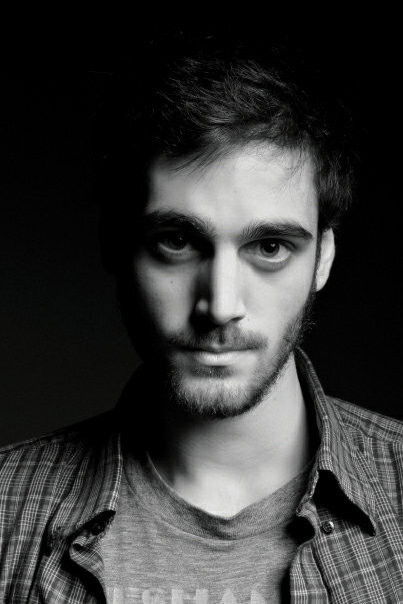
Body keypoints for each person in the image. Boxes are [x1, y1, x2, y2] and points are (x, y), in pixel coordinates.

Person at [0, 31, 402, 603]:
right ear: (116, 246)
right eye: (177, 240)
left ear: (324, 259)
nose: (220, 305)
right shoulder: (6, 512)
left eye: (269, 247)